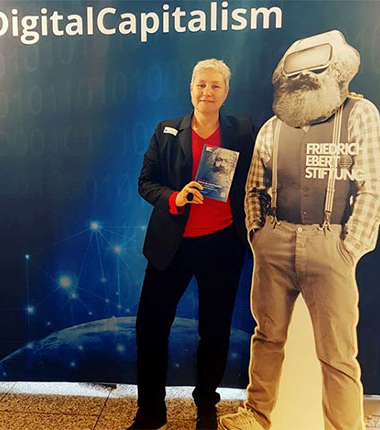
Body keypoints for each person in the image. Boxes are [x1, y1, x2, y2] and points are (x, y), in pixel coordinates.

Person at [219, 30, 380, 430]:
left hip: (330, 244)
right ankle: (256, 414)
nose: (303, 77)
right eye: (295, 70)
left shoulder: (359, 114)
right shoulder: (271, 127)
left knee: (338, 353)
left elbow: (375, 186)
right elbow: (254, 188)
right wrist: (259, 235)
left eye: (314, 67)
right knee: (267, 337)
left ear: (338, 68)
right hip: (274, 242)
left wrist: (349, 247)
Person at [127, 59, 255, 430]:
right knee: (150, 328)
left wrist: (343, 104)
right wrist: (175, 197)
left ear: (226, 92)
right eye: (201, 84)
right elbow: (145, 182)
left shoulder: (243, 131)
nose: (207, 92)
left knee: (214, 331)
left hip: (222, 246)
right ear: (190, 88)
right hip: (172, 246)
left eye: (215, 86)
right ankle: (151, 411)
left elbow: (282, 140)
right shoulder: (166, 130)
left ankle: (206, 406)